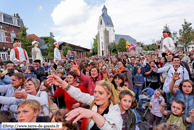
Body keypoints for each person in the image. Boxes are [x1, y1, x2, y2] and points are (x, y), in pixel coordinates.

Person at [47, 75, 122, 130]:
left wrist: (93, 115)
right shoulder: (94, 101)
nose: (96, 95)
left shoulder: (115, 109)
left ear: (109, 95)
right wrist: (62, 83)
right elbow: (79, 95)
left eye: (101, 93)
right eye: (95, 92)